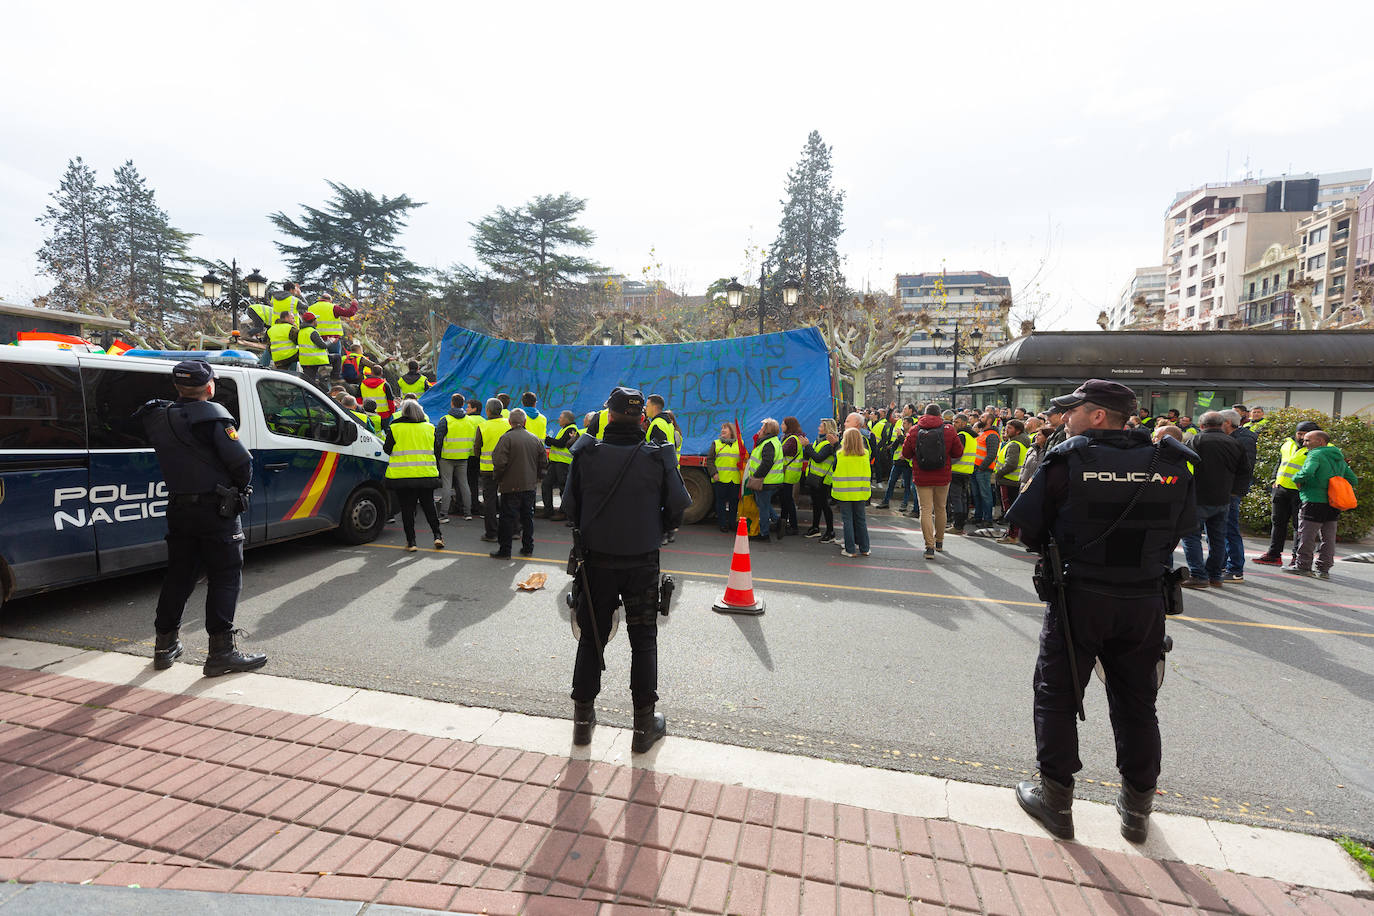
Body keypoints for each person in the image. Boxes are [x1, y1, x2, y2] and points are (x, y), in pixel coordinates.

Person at [1005, 379, 1196, 844]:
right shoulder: (1173, 462)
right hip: (1143, 600)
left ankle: (1056, 801)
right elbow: (1184, 526)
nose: (1064, 417)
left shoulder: (1068, 459)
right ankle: (1137, 808)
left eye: (1074, 410)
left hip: (1080, 598)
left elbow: (1025, 526)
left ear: (1096, 416)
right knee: (1137, 703)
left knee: (1057, 696)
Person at [564, 386, 689, 753]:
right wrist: (659, 529)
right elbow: (679, 506)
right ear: (642, 418)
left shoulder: (586, 453)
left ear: (609, 415)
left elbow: (570, 507)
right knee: (643, 641)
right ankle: (642, 728)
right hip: (642, 561)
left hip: (596, 562)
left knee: (591, 638)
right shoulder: (658, 455)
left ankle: (583, 726)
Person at [137, 360, 266, 676]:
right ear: (209, 386)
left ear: (177, 387)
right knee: (225, 575)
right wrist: (239, 491)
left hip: (180, 509)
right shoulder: (214, 417)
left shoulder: (157, 416)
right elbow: (241, 464)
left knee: (179, 575)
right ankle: (221, 652)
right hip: (216, 511)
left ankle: (164, 645)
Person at [1180, 411, 1248, 589]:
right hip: (1224, 498)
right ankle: (1214, 575)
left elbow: (1183, 467)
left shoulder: (1195, 441)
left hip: (1198, 497)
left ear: (1201, 425)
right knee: (1217, 538)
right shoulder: (1235, 443)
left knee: (1190, 536)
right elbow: (1244, 471)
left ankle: (1198, 575)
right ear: (1222, 424)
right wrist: (1235, 492)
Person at [1288, 429, 1358, 580]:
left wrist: (1296, 478)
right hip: (1333, 502)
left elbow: (1307, 473)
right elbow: (1353, 479)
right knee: (1328, 537)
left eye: (1308, 440)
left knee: (1307, 534)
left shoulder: (1315, 454)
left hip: (1313, 499)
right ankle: (1324, 569)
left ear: (1320, 441)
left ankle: (1303, 566)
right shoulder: (1338, 457)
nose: (1304, 443)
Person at [1255, 421, 1321, 567]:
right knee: (1277, 523)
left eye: (1305, 434)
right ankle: (1274, 554)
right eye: (1299, 433)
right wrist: (1274, 479)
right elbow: (1280, 463)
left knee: (1300, 526)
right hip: (1281, 488)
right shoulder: (1287, 444)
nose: (1302, 437)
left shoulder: (1320, 448)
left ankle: (1296, 557)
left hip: (1302, 492)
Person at [383, 399, 443, 552]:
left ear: (403, 412)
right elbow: (436, 450)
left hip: (403, 475)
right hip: (426, 473)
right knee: (429, 506)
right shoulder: (429, 428)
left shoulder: (395, 427)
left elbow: (387, 449)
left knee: (407, 510)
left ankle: (411, 542)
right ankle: (437, 536)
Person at [904, 403, 963, 559]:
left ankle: (929, 547)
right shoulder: (949, 430)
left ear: (924, 413)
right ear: (940, 415)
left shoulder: (915, 430)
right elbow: (958, 452)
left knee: (925, 510)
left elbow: (906, 453)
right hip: (943, 476)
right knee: (941, 508)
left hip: (922, 475)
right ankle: (939, 542)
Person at [490, 409, 548, 558]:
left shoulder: (506, 438)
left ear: (509, 422)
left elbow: (499, 462)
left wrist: (498, 478)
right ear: (525, 422)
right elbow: (543, 462)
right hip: (529, 485)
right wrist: (537, 478)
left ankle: (505, 550)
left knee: (507, 519)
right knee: (527, 518)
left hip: (510, 485)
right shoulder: (534, 439)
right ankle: (528, 547)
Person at [1222, 409, 1258, 583]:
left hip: (1231, 490)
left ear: (1228, 422)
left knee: (1230, 529)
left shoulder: (1243, 439)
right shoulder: (1237, 437)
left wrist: (1235, 491)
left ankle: (1235, 569)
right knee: (1221, 529)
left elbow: (1245, 468)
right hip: (1226, 489)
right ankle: (1223, 565)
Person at [433, 393, 477, 522]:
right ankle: (468, 513)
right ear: (462, 404)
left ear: (452, 403)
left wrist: (438, 455)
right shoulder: (469, 420)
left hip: (447, 457)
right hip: (463, 456)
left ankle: (444, 514)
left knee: (447, 485)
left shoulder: (445, 419)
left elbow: (438, 440)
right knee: (464, 484)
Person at [474, 398, 512, 542]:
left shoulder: (483, 426)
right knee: (509, 499)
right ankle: (512, 530)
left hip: (488, 469)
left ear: (488, 411)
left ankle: (491, 533)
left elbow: (477, 448)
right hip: (507, 468)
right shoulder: (509, 424)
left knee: (489, 501)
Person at [744, 418, 787, 541]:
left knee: (762, 507)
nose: (759, 430)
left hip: (765, 481)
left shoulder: (767, 443)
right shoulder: (773, 441)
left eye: (762, 428)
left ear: (767, 430)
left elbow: (767, 463)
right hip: (772, 480)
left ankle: (764, 534)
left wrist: (756, 476)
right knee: (763, 504)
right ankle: (778, 521)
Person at [831, 427, 871, 558]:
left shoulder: (840, 454)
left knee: (847, 520)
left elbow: (834, 469)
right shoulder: (865, 454)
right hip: (860, 491)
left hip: (844, 492)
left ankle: (850, 549)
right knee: (861, 519)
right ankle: (865, 548)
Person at [306, 292, 358, 379]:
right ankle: (335, 379)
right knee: (336, 362)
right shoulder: (333, 307)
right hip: (333, 339)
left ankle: (320, 379)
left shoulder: (310, 308)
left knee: (319, 362)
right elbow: (350, 313)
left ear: (320, 299)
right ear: (330, 300)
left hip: (316, 340)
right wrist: (354, 304)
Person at [802, 418, 838, 542]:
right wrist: (807, 447)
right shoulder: (818, 440)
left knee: (824, 505)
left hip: (823, 480)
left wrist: (808, 446)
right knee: (816, 504)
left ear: (827, 428)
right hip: (814, 477)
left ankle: (830, 531)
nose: (818, 427)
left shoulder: (829, 444)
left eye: (821, 426)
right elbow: (811, 456)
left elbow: (818, 458)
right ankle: (815, 528)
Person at [995, 419, 1028, 545]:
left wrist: (998, 474)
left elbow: (1011, 464)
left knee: (1009, 510)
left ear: (1018, 431)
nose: (1006, 430)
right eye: (1006, 427)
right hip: (1014, 482)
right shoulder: (1020, 442)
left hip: (1009, 481)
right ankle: (1012, 533)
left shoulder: (1014, 444)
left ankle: (1012, 536)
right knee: (1013, 509)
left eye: (1010, 428)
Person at [543, 410, 581, 520]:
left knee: (563, 488)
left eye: (560, 417)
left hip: (563, 463)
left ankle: (564, 513)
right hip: (556, 463)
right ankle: (548, 511)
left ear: (566, 419)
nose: (559, 419)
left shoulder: (571, 429)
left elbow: (561, 443)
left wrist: (547, 439)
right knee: (546, 484)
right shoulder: (565, 429)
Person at [708, 422, 744, 532]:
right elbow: (710, 460)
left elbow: (744, 460)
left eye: (725, 429)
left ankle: (732, 523)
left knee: (734, 503)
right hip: (720, 479)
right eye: (722, 428)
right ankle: (723, 524)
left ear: (732, 431)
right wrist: (714, 473)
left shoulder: (740, 443)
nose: (722, 430)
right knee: (721, 503)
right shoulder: (716, 443)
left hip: (735, 479)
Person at [945, 414, 977, 536]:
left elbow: (956, 454)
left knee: (956, 499)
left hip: (957, 471)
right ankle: (960, 524)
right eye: (953, 421)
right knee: (963, 500)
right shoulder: (971, 436)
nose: (954, 424)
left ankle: (957, 526)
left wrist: (947, 463)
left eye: (957, 422)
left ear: (964, 423)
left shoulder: (961, 436)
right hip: (966, 471)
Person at [877, 416, 914, 511]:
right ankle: (885, 501)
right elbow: (894, 447)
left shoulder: (912, 434)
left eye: (905, 423)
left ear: (910, 424)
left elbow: (907, 444)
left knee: (906, 485)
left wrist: (900, 437)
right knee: (891, 483)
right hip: (897, 462)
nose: (903, 425)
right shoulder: (901, 433)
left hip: (907, 464)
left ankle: (904, 503)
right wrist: (898, 439)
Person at [778, 416, 807, 535]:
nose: (781, 426)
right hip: (791, 473)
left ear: (789, 426)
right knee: (785, 499)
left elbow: (780, 452)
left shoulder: (791, 439)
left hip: (788, 473)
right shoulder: (794, 437)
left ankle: (793, 526)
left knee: (788, 500)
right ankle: (784, 523)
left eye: (783, 424)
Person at [972, 420, 1000, 525]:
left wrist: (981, 467)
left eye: (983, 417)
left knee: (985, 495)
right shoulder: (983, 433)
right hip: (977, 469)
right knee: (977, 495)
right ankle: (978, 516)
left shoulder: (992, 435)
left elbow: (991, 454)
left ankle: (987, 519)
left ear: (988, 421)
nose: (980, 419)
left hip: (982, 469)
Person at [295, 312, 331, 388]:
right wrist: (331, 341)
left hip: (306, 361)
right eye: (316, 320)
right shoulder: (312, 331)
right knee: (312, 383)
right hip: (315, 361)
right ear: (313, 321)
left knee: (308, 382)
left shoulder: (301, 331)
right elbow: (323, 345)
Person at [359, 364, 398, 428]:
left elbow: (358, 399)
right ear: (381, 373)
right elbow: (390, 401)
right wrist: (392, 413)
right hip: (384, 415)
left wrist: (361, 411)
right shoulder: (385, 385)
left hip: (366, 414)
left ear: (371, 373)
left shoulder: (362, 384)